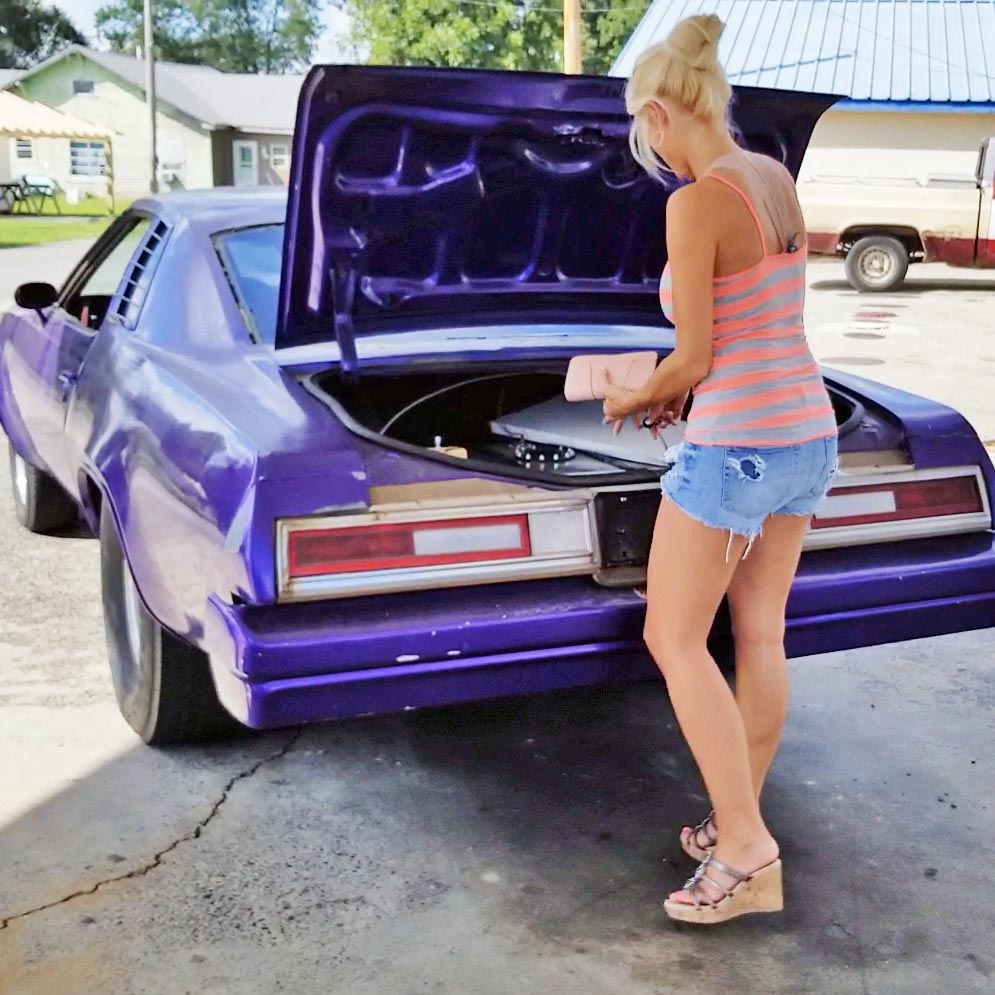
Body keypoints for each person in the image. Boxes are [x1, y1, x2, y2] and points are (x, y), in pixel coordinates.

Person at [601, 13, 838, 925]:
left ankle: (743, 851)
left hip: (735, 445)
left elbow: (695, 354)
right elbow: (757, 324)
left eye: (643, 133)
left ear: (659, 114)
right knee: (760, 636)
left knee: (671, 637)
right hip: (804, 432)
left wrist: (634, 398)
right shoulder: (771, 177)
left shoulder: (693, 201)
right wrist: (681, 386)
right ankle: (733, 816)